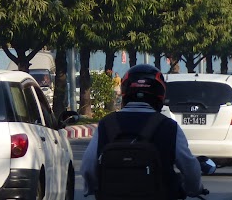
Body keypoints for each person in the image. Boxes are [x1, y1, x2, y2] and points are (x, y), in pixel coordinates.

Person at [81, 64, 204, 199]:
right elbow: (190, 168)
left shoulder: (106, 124)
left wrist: (95, 188)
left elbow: (88, 165)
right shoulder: (169, 127)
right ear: (160, 95)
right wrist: (193, 189)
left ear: (125, 92)